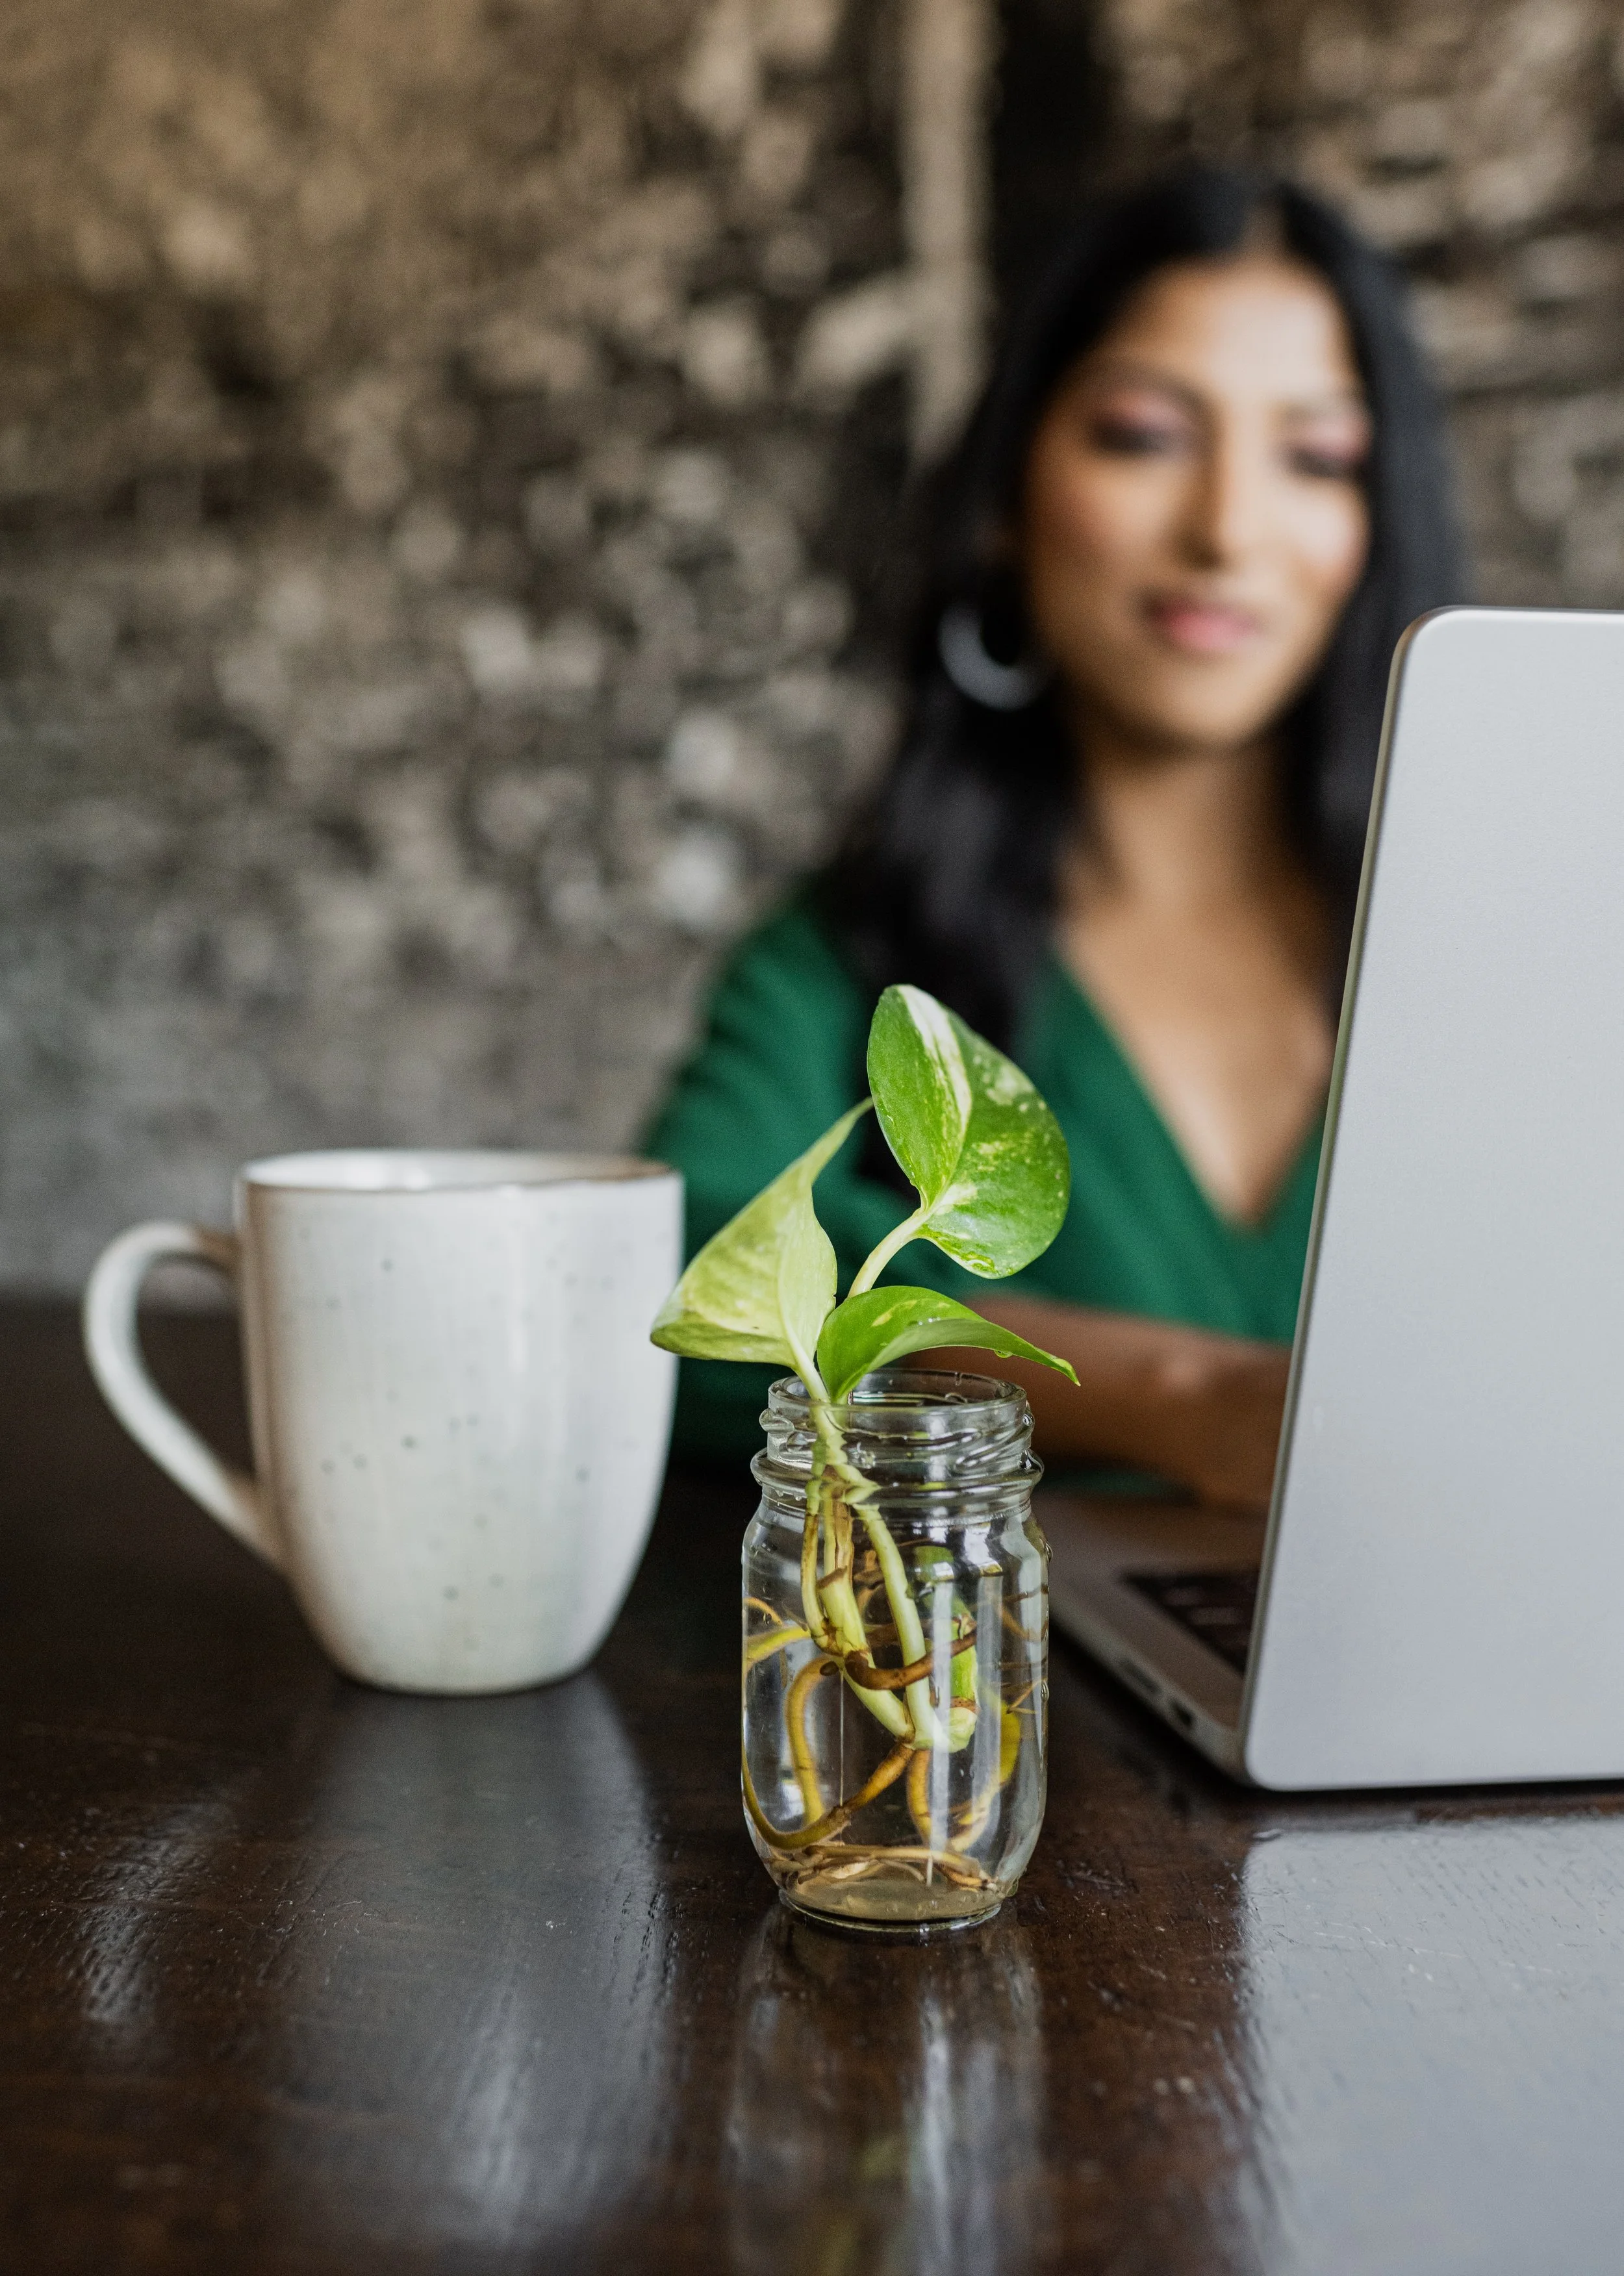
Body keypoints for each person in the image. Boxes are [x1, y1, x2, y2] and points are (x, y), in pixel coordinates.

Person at [646, 166, 1464, 1504]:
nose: (1224, 530)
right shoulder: (855, 963)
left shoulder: (1504, 956)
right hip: (997, 1690)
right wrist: (1173, 1401)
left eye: (1315, 457)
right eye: (1144, 434)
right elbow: (674, 1273)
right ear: (1006, 499)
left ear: (1372, 530)